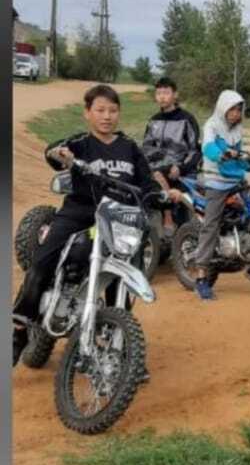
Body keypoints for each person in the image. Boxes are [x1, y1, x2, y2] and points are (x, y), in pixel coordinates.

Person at [13, 83, 182, 367]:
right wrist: (60, 155)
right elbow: (54, 152)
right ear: (87, 113)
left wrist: (166, 195)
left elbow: (148, 184)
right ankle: (18, 331)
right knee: (43, 260)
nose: (107, 116)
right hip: (80, 212)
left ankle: (114, 339)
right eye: (100, 110)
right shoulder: (81, 142)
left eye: (113, 110)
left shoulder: (129, 147)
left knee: (123, 274)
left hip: (119, 218)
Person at [191, 88, 250, 301]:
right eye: (232, 109)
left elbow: (240, 157)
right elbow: (208, 148)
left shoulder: (237, 130)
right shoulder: (211, 125)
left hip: (236, 181)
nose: (236, 113)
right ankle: (201, 277)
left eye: (239, 109)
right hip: (216, 181)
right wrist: (221, 154)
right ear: (223, 108)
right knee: (211, 225)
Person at [141, 76, 202, 236]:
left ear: (175, 95)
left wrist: (181, 168)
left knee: (157, 174)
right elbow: (146, 147)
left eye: (166, 92)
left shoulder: (187, 119)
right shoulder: (153, 121)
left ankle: (168, 219)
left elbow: (195, 150)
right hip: (158, 165)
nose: (162, 96)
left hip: (180, 168)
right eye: (159, 93)